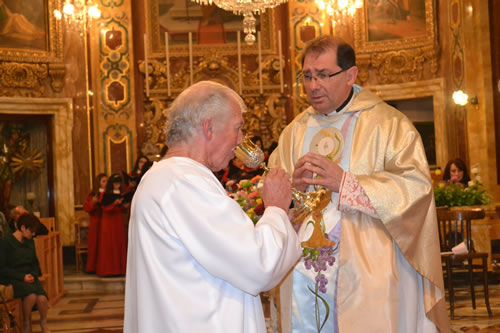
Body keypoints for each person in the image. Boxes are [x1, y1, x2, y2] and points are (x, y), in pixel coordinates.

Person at [268, 35, 448, 332]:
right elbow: (277, 192)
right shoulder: (294, 131)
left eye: (324, 75)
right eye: (307, 76)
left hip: (369, 269)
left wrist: (347, 183)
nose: (313, 86)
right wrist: (293, 190)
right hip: (303, 268)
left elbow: (416, 188)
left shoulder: (389, 124)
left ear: (350, 75)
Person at [124, 81, 302, 332]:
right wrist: (275, 209)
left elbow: (228, 254)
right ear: (209, 128)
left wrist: (284, 222)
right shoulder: (183, 182)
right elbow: (259, 265)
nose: (240, 140)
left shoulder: (169, 178)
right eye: (237, 129)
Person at [0, 213, 50, 333]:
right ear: (22, 228)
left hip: (30, 277)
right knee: (32, 296)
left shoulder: (29, 241)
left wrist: (32, 275)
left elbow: (34, 263)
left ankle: (44, 323)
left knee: (42, 299)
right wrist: (22, 277)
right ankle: (26, 323)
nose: (33, 234)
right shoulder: (5, 242)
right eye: (31, 231)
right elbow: (2, 269)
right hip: (13, 277)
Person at [95, 173, 128, 277]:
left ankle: (120, 270)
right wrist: (114, 204)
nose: (117, 185)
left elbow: (122, 210)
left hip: (118, 221)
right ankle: (107, 270)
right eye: (115, 183)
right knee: (108, 245)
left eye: (118, 183)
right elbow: (104, 208)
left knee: (119, 244)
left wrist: (124, 205)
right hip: (108, 222)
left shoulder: (121, 193)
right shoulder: (104, 194)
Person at [83, 173, 107, 273]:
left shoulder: (109, 193)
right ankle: (92, 267)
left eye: (107, 181)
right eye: (103, 181)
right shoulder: (92, 193)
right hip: (96, 221)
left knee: (104, 246)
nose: (106, 183)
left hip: (106, 222)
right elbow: (86, 207)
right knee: (94, 245)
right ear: (98, 183)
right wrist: (94, 202)